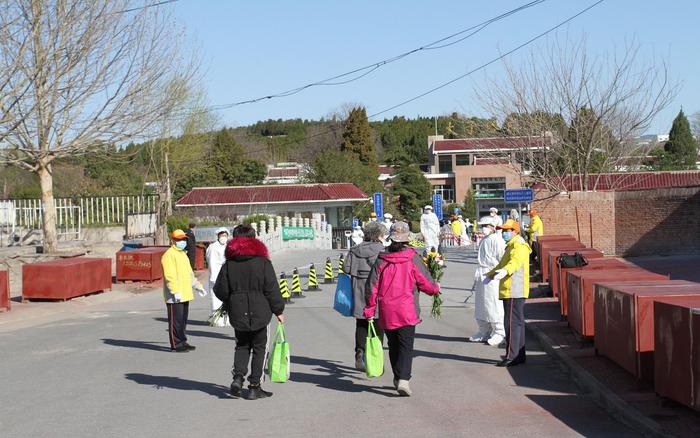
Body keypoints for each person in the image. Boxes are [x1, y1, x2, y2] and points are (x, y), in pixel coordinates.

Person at [364, 221, 440, 396]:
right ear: (407, 239)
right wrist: (435, 288)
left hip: (387, 310)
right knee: (406, 345)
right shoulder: (413, 258)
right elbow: (425, 282)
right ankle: (404, 380)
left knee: (393, 345)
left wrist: (369, 309)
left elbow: (372, 286)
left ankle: (398, 377)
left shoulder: (382, 259)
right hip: (407, 309)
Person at [214, 224, 285, 400]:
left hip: (238, 311)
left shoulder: (229, 265)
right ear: (254, 238)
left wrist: (231, 300)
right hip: (261, 310)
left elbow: (220, 290)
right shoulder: (263, 263)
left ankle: (238, 377)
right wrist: (279, 310)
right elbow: (272, 289)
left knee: (242, 345)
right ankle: (254, 386)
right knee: (259, 348)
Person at [342, 222, 385, 371]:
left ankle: (359, 351)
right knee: (378, 322)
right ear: (379, 235)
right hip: (377, 289)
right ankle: (374, 355)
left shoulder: (355, 250)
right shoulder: (382, 250)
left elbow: (346, 268)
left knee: (361, 323)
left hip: (358, 288)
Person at [488, 219, 531, 367]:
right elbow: (502, 264)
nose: (504, 233)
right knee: (517, 323)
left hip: (514, 290)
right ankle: (519, 355)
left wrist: (505, 271)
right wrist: (490, 274)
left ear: (515, 231)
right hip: (511, 289)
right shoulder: (511, 246)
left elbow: (514, 263)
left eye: (507, 231)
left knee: (512, 323)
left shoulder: (519, 246)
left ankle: (511, 356)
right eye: (503, 230)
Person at [162, 229, 206, 352]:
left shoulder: (182, 254)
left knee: (182, 320)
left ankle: (182, 341)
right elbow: (169, 275)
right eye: (179, 239)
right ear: (173, 240)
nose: (182, 241)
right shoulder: (169, 255)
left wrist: (197, 286)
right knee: (175, 321)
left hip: (185, 293)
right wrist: (174, 291)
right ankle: (176, 344)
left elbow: (189, 274)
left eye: (183, 239)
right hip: (174, 295)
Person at [469, 217, 506, 346]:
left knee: (493, 304)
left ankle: (499, 332)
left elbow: (502, 259)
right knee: (481, 304)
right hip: (482, 274)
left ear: (494, 226)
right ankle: (484, 330)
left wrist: (498, 273)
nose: (484, 228)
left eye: (487, 225)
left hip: (492, 275)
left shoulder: (498, 241)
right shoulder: (484, 240)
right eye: (483, 225)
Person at [206, 227, 230, 327]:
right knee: (215, 298)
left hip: (226, 275)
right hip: (216, 275)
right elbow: (211, 263)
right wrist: (213, 278)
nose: (223, 237)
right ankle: (217, 319)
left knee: (227, 298)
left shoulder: (229, 246)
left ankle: (226, 319)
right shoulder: (213, 247)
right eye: (222, 235)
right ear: (218, 236)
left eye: (225, 235)